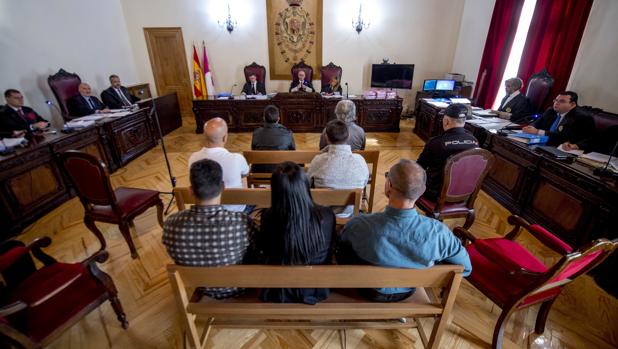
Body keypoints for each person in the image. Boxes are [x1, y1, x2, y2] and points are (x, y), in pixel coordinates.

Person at [338, 159, 472, 302]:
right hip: (407, 292)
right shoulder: (440, 233)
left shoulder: (359, 224)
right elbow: (465, 268)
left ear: (388, 186)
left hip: (368, 290)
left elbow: (342, 247)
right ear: (422, 191)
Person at [162, 159, 257, 299]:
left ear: (190, 190)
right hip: (238, 286)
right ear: (223, 187)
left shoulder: (170, 224)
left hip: (201, 287)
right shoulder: (241, 222)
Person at [255, 162, 336, 304]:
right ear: (305, 186)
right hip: (315, 288)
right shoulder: (327, 215)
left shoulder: (268, 217)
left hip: (279, 290)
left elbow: (266, 251)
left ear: (274, 190)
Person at [308, 119, 369, 217]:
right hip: (351, 215)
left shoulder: (318, 161)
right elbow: (364, 183)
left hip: (323, 216)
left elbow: (308, 184)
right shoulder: (360, 161)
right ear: (348, 136)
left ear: (326, 137)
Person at [417, 103, 478, 199]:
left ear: (446, 121)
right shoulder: (474, 141)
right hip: (464, 192)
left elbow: (420, 167)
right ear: (464, 121)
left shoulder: (435, 143)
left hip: (435, 193)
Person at [188, 117, 249, 212]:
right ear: (225, 137)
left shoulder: (193, 158)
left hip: (205, 210)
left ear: (204, 136)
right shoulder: (236, 158)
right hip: (236, 210)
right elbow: (245, 175)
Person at [522, 91, 595, 147]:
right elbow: (537, 123)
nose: (556, 103)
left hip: (562, 148)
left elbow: (563, 137)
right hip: (544, 143)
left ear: (572, 104)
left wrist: (538, 132)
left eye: (562, 101)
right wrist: (530, 127)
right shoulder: (551, 111)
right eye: (556, 100)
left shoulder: (581, 118)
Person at [251, 105, 296, 173]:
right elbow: (292, 151)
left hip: (260, 171)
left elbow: (253, 149)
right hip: (281, 172)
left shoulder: (256, 133)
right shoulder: (287, 133)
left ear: (264, 118)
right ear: (278, 119)